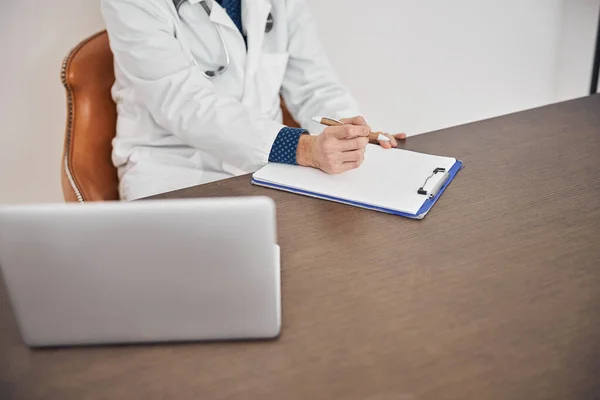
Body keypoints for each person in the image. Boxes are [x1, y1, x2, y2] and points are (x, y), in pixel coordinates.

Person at [101, 0, 405, 200]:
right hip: (174, 170)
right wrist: (302, 148)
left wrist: (352, 135)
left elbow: (314, 84)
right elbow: (184, 103)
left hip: (268, 169)